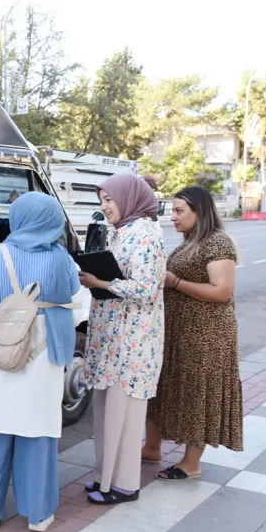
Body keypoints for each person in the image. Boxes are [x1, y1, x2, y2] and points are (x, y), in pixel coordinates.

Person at [0, 192, 80, 532]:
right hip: (44, 358)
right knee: (37, 432)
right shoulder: (62, 259)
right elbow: (78, 309)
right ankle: (38, 514)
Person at [144, 187, 243, 478]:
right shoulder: (189, 242)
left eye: (179, 211)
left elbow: (222, 291)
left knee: (197, 394)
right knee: (164, 389)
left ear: (199, 212)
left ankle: (191, 463)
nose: (172, 217)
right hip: (179, 331)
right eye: (171, 210)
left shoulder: (217, 243)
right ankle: (152, 447)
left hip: (207, 335)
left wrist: (175, 283)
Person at [79, 173, 165, 505]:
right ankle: (105, 476)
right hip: (113, 338)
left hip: (133, 341)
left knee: (125, 412)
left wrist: (101, 283)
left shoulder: (144, 236)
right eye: (102, 201)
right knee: (106, 410)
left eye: (109, 200)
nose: (105, 207)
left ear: (128, 199)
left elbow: (145, 289)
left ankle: (125, 484)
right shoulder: (122, 233)